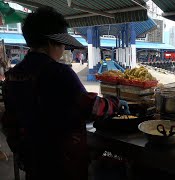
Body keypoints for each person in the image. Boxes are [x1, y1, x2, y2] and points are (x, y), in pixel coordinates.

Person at [0, 7, 129, 180]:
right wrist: (115, 103)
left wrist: (23, 152)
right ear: (51, 43)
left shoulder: (12, 76)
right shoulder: (58, 72)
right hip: (64, 163)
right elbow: (91, 107)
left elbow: (9, 122)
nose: (63, 50)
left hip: (34, 162)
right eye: (62, 44)